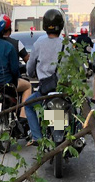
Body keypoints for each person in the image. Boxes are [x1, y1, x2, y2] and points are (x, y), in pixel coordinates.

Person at [24, 8, 66, 142]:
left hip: (45, 90)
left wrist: (31, 74)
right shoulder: (67, 45)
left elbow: (30, 67)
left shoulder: (39, 44)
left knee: (28, 105)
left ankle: (37, 137)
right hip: (63, 90)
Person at [1, 15, 32, 123]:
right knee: (29, 87)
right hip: (11, 82)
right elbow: (29, 61)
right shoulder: (66, 45)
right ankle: (23, 117)